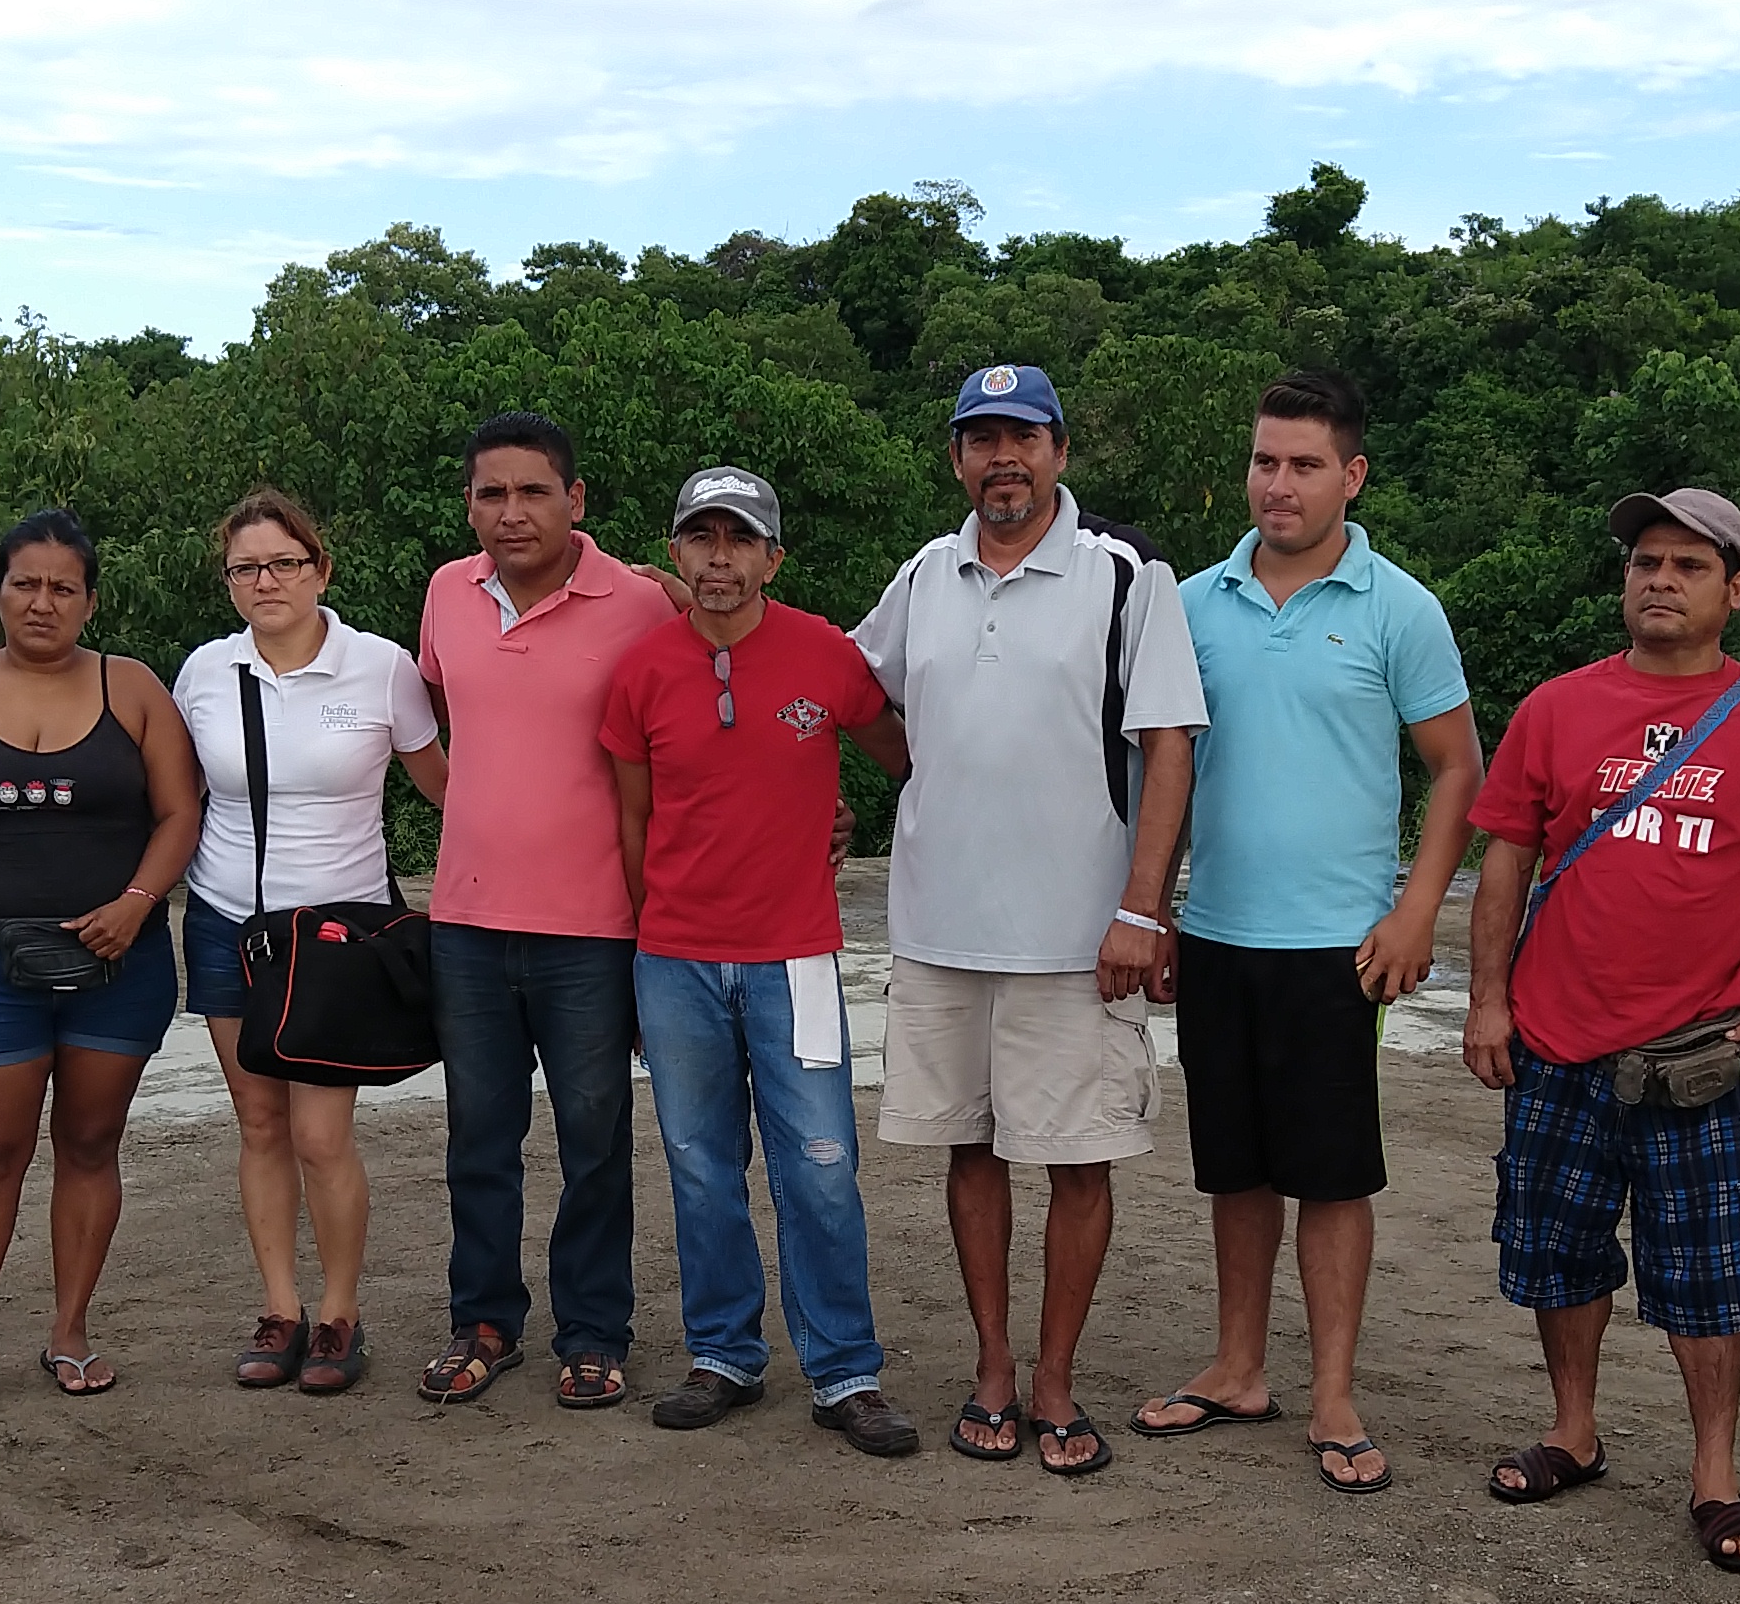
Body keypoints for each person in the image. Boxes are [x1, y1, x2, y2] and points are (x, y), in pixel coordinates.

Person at [1461, 488, 1740, 1573]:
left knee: (1711, 1269)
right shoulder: (1556, 708)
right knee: (1557, 1252)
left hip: (1702, 1056)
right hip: (1557, 1040)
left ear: (1737, 589)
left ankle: (1715, 1475)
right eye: (1645, 562)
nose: (1660, 580)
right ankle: (1572, 1432)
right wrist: (1489, 1001)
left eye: (1688, 564)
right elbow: (1504, 858)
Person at [851, 362, 1207, 1478]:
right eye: (981, 440)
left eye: (1025, 438)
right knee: (969, 1149)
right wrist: (918, 783)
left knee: (1078, 1162)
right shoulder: (924, 572)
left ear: (1058, 451)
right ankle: (993, 1367)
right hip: (939, 924)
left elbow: (1168, 744)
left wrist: (1143, 911)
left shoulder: (1125, 575)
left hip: (1076, 934)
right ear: (956, 458)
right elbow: (858, 693)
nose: (1003, 459)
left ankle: (1055, 1382)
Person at [1136, 371, 1482, 1494]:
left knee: (1332, 1176)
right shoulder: (1188, 604)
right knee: (1236, 1169)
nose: (1277, 485)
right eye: (1263, 461)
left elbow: (1456, 766)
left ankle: (1332, 1391)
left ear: (1353, 475)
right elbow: (1162, 770)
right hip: (1220, 932)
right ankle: (1240, 1366)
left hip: (1344, 945)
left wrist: (1418, 908)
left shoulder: (1399, 606)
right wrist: (1158, 908)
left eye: (1303, 464)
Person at [600, 465, 920, 1458]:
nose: (720, 559)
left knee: (822, 1166)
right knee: (700, 1167)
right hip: (677, 957)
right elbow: (633, 822)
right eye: (701, 538)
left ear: (773, 556)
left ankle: (845, 1371)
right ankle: (724, 1355)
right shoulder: (643, 668)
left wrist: (847, 810)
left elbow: (903, 755)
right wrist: (651, 948)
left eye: (740, 540)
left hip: (797, 960)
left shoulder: (825, 653)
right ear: (677, 552)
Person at [0, 509, 203, 1415]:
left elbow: (181, 813)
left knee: (91, 1143)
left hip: (117, 960)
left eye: (64, 587)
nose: (43, 602)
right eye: (26, 583)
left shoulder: (133, 690)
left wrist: (137, 905)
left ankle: (70, 1329)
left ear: (90, 602)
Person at [413, 411, 678, 1409]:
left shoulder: (643, 603)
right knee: (477, 1131)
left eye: (533, 492)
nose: (511, 512)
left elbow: (708, 689)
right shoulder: (446, 592)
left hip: (597, 926)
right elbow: (434, 720)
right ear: (470, 504)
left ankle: (594, 1330)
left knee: (593, 1135)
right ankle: (483, 1322)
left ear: (578, 500)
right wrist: (477, 814)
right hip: (469, 924)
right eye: (492, 493)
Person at [168, 489, 449, 1399]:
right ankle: (279, 1308)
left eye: (284, 562)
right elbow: (175, 799)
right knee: (259, 1125)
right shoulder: (205, 672)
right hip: (224, 923)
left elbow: (448, 788)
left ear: (320, 568)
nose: (266, 581)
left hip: (337, 935)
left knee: (321, 1135)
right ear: (228, 582)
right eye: (246, 567)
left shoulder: (381, 668)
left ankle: (338, 1313)